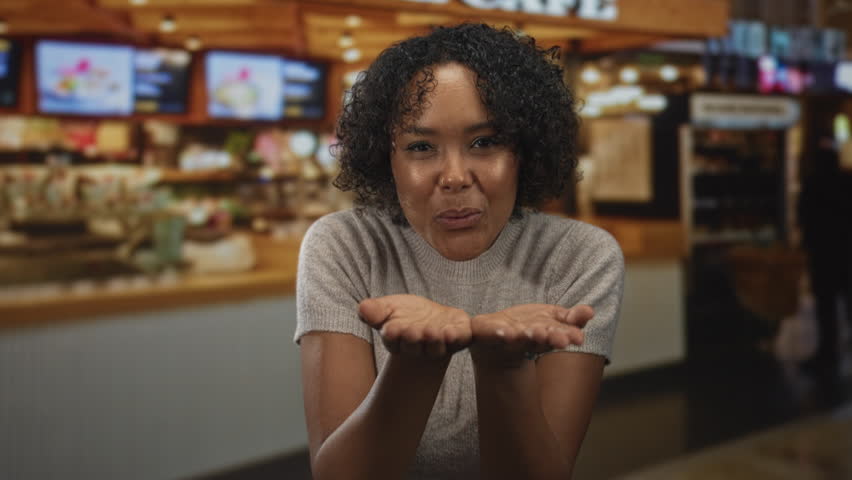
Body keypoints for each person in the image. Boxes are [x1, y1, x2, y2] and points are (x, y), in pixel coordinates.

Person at [294, 23, 624, 480]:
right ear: (386, 159)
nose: (454, 176)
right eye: (421, 146)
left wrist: (502, 366)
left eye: (484, 143)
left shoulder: (580, 256)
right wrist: (414, 362)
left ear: (524, 150)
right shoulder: (344, 245)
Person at [798, 132, 852, 396]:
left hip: (824, 258)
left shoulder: (813, 183)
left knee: (826, 311)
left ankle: (827, 355)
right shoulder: (846, 181)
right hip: (847, 257)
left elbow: (805, 221)